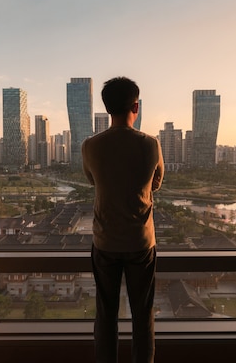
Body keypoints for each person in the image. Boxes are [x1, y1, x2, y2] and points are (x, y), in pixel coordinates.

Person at [82, 76, 164, 363]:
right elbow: (156, 183)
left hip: (105, 242)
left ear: (107, 109)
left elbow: (93, 180)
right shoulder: (151, 144)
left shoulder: (90, 146)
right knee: (143, 315)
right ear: (135, 106)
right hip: (141, 242)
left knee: (106, 314)